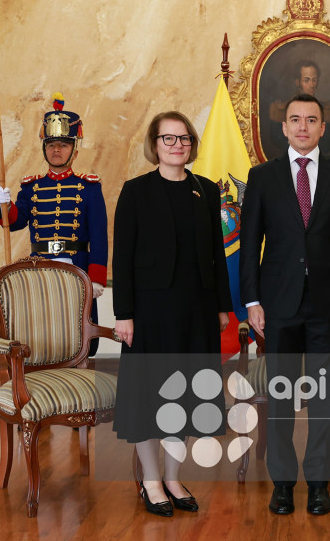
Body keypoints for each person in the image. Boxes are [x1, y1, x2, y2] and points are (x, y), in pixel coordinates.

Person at [239, 93, 330, 516]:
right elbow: (250, 243)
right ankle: (282, 482)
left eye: (312, 120)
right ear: (283, 126)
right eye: (295, 119)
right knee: (280, 395)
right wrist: (252, 300)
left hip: (329, 305)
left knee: (324, 397)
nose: (303, 127)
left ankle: (317, 482)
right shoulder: (262, 177)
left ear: (323, 128)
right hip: (278, 303)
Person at [111, 111, 232, 516]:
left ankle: (174, 477)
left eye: (184, 139)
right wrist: (123, 313)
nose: (177, 145)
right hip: (149, 312)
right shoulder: (135, 191)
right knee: (150, 397)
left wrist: (221, 307)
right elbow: (122, 259)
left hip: (196, 310)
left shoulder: (206, 191)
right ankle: (150, 479)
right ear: (155, 145)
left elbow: (217, 253)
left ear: (192, 145)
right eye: (169, 139)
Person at [0, 92, 107, 355]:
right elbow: (15, 222)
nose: (57, 149)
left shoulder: (89, 188)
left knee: (80, 333)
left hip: (77, 268)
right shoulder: (31, 187)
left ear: (74, 150)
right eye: (51, 144)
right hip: (40, 269)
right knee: (44, 329)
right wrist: (4, 204)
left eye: (64, 144)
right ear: (44, 147)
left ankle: (81, 379)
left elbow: (100, 236)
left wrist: (97, 278)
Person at [266, 60, 330, 158]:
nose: (312, 85)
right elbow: (276, 141)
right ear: (298, 82)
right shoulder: (278, 109)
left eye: (314, 80)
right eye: (306, 80)